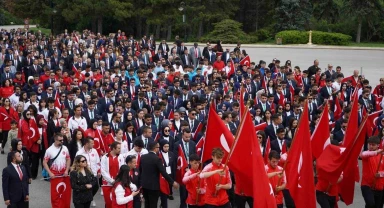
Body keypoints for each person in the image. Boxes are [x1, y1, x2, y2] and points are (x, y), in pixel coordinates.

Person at [139, 141, 179, 208]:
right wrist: (172, 182)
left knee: (147, 204)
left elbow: (140, 170)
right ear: (155, 148)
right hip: (154, 186)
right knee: (153, 204)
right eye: (158, 147)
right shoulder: (157, 159)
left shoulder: (143, 157)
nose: (158, 149)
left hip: (145, 185)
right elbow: (163, 172)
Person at [75, 137, 101, 207]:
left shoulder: (94, 151)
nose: (93, 144)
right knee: (87, 189)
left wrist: (98, 170)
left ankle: (90, 198)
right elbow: (76, 165)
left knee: (96, 187)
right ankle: (86, 201)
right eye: (92, 143)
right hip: (85, 176)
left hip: (94, 174)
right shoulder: (79, 153)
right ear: (86, 144)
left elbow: (98, 162)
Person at [360, 136, 384, 208]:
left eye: (373, 145)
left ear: (378, 145)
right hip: (366, 185)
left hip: (379, 186)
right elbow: (362, 155)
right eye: (369, 144)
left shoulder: (382, 156)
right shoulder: (366, 154)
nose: (371, 146)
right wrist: (377, 152)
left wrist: (380, 174)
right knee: (370, 203)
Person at [101, 141, 123, 208]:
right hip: (108, 184)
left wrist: (118, 180)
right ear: (113, 148)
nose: (120, 150)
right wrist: (111, 181)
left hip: (118, 183)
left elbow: (122, 170)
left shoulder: (121, 157)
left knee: (117, 201)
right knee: (108, 202)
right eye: (118, 148)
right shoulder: (105, 157)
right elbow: (103, 171)